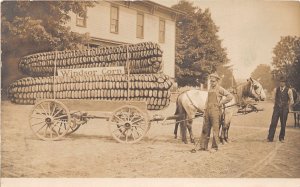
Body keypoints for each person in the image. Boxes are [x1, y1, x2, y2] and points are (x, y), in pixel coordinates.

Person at [199, 72, 234, 151]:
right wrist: (205, 110)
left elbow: (230, 96)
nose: (212, 82)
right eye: (211, 81)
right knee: (205, 128)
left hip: (216, 111)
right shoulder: (210, 88)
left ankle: (215, 147)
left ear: (217, 81)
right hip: (208, 110)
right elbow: (207, 100)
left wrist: (221, 103)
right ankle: (203, 146)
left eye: (213, 81)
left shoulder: (220, 89)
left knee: (215, 129)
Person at [267, 77, 294, 143]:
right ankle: (270, 138)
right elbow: (273, 98)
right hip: (276, 109)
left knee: (283, 124)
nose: (281, 83)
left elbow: (291, 100)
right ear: (279, 82)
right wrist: (276, 104)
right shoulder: (276, 89)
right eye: (281, 82)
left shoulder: (289, 90)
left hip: (284, 109)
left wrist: (287, 107)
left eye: (283, 82)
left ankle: (281, 138)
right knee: (273, 123)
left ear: (285, 83)